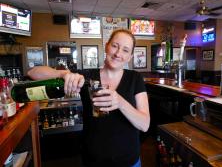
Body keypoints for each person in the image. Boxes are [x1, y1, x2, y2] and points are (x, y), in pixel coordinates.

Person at [28, 29, 150, 167]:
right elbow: (33, 73)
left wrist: (120, 102)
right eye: (115, 46)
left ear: (130, 57)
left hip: (129, 161)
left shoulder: (135, 78)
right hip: (93, 160)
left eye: (125, 50)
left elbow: (144, 124)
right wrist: (63, 74)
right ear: (106, 46)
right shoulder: (86, 77)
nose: (118, 53)